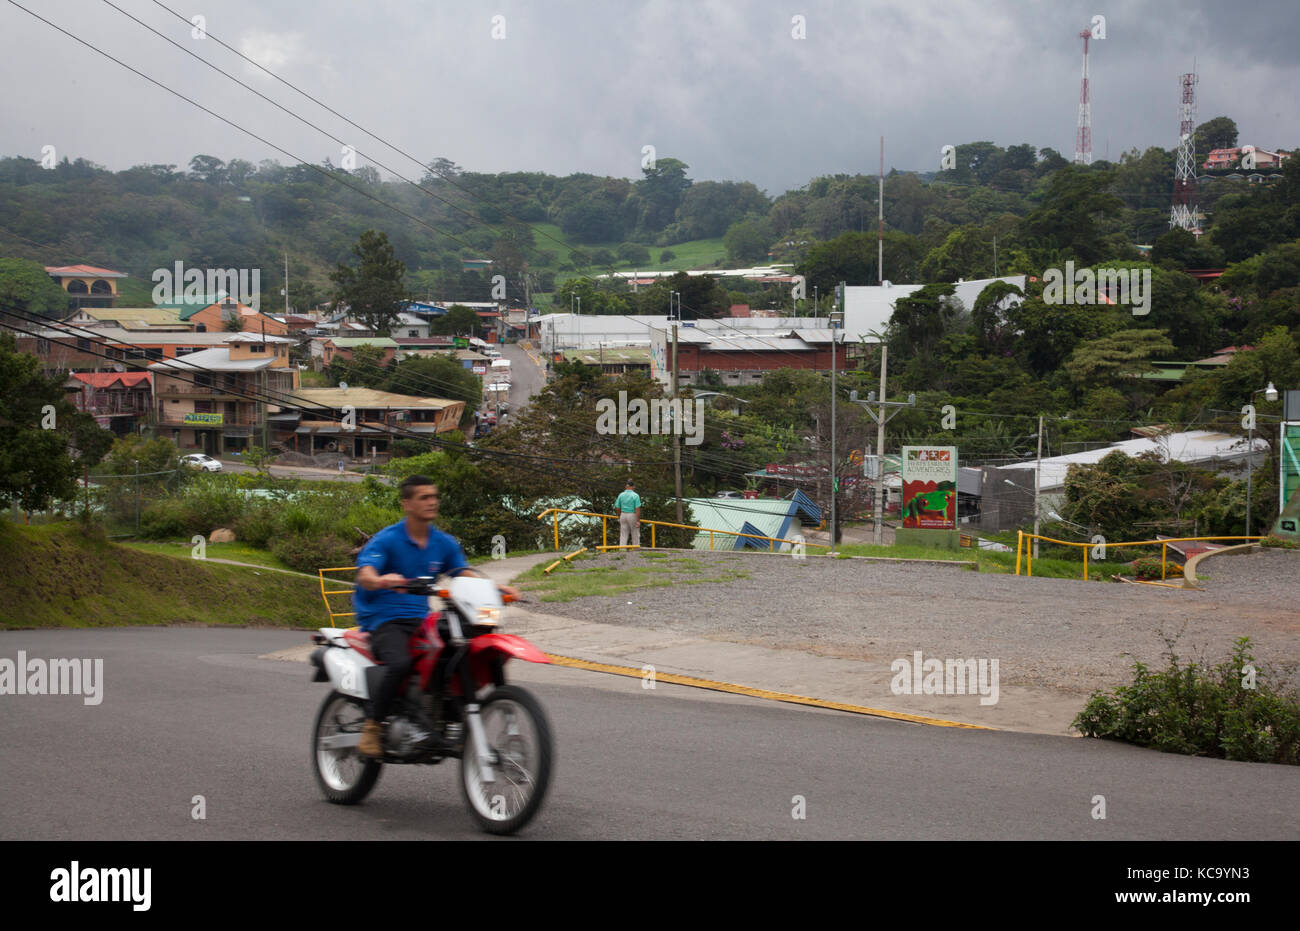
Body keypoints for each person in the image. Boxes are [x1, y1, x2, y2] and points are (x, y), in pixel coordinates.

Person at [352, 474, 519, 758]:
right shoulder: (388, 540)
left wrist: (494, 587)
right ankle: (373, 726)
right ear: (407, 503)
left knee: (456, 652)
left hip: (420, 618)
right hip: (384, 619)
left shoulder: (443, 543)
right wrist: (383, 581)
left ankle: (441, 715)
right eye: (424, 497)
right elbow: (365, 573)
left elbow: (461, 572)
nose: (432, 502)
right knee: (401, 662)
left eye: (434, 496)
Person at [615, 479, 642, 548]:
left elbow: (617, 507)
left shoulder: (621, 495)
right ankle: (636, 550)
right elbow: (637, 509)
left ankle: (622, 550)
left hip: (623, 515)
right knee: (635, 533)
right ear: (633, 487)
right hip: (632, 515)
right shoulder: (635, 495)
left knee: (623, 534)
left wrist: (619, 516)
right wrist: (638, 520)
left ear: (626, 486)